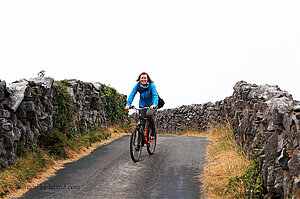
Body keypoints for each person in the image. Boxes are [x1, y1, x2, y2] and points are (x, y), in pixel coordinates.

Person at [125, 72, 158, 136]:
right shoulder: (138, 85)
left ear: (147, 79)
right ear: (139, 79)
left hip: (152, 105)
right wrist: (128, 104)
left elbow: (155, 95)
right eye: (142, 78)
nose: (143, 79)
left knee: (148, 114)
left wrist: (154, 104)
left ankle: (153, 129)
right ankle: (141, 142)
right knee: (142, 124)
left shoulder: (151, 85)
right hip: (142, 105)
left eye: (145, 78)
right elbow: (132, 94)